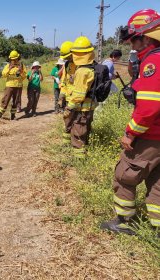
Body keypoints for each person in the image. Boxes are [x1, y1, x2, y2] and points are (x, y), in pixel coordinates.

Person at [101, 9, 160, 235]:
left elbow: (149, 107)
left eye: (134, 40)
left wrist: (131, 133)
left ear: (146, 36)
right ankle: (157, 230)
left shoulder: (153, 62)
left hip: (150, 135)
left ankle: (124, 221)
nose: (132, 46)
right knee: (157, 181)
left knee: (125, 174)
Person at [63, 36, 96, 159]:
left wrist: (69, 108)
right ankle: (84, 154)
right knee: (85, 132)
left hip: (81, 108)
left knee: (78, 134)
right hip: (89, 107)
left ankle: (78, 160)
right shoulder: (92, 67)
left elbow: (79, 95)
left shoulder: (82, 71)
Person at [0, 50, 27, 120]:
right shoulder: (8, 66)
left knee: (15, 101)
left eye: (15, 59)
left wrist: (21, 71)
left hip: (18, 86)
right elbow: (3, 75)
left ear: (18, 58)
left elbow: (24, 77)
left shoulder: (21, 66)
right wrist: (10, 68)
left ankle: (13, 115)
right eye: (12, 59)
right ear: (10, 59)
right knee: (5, 100)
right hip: (9, 86)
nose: (14, 60)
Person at [59, 41, 77, 145]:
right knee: (67, 122)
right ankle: (66, 145)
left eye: (68, 57)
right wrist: (62, 95)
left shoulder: (81, 65)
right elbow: (64, 82)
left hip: (79, 101)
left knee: (79, 126)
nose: (67, 59)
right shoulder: (67, 65)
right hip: (69, 101)